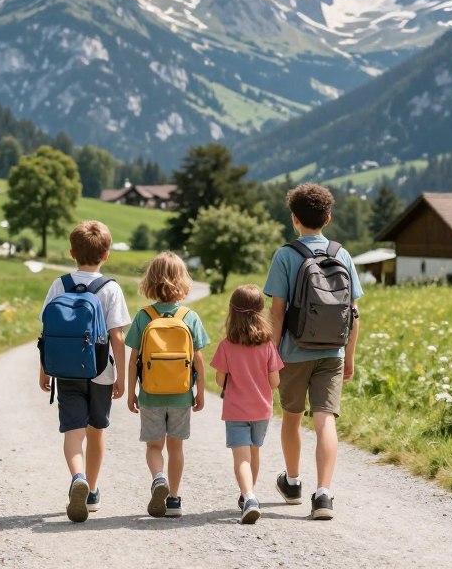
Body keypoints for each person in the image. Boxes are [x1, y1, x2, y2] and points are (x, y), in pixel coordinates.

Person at [264, 183, 363, 520]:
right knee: (325, 420)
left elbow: (277, 313)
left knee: (292, 418)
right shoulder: (342, 254)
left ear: (295, 219)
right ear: (329, 218)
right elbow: (353, 313)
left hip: (293, 351)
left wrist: (271, 356)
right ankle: (324, 494)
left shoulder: (286, 255)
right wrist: (348, 357)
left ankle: (292, 484)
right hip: (332, 353)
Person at [39, 220, 130, 523]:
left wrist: (45, 369)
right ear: (106, 254)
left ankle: (76, 476)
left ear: (71, 253)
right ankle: (91, 491)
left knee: (73, 431)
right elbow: (117, 336)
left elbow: (48, 331)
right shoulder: (110, 288)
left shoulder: (59, 285)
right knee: (96, 430)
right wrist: (121, 378)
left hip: (66, 371)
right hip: (101, 373)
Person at [126, 252, 209, 518]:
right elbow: (198, 361)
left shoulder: (144, 316)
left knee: (154, 447)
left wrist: (131, 392)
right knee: (176, 447)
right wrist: (200, 394)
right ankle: (173, 498)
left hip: (150, 394)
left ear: (150, 281)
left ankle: (158, 478)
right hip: (181, 395)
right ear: (183, 282)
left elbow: (133, 360)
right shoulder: (189, 316)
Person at [210, 284, 283, 524]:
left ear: (232, 312)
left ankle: (248, 496)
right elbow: (275, 382)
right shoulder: (268, 345)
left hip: (235, 410)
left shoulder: (226, 345)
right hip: (261, 410)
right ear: (261, 312)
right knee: (254, 452)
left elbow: (219, 379)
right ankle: (249, 494)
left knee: (241, 458)